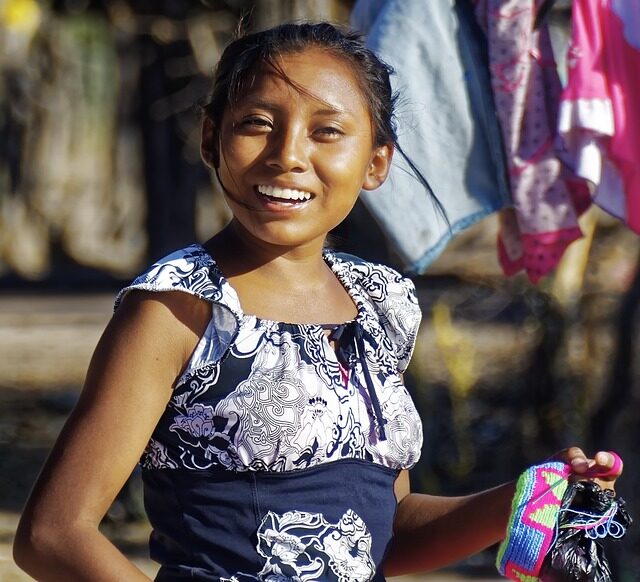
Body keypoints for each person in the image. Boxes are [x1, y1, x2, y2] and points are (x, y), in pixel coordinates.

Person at [13, 22, 623, 582]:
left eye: (327, 130)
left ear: (375, 163)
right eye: (256, 123)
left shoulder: (381, 305)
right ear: (210, 138)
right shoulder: (178, 309)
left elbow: (384, 530)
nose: (288, 155)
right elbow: (52, 535)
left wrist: (525, 498)